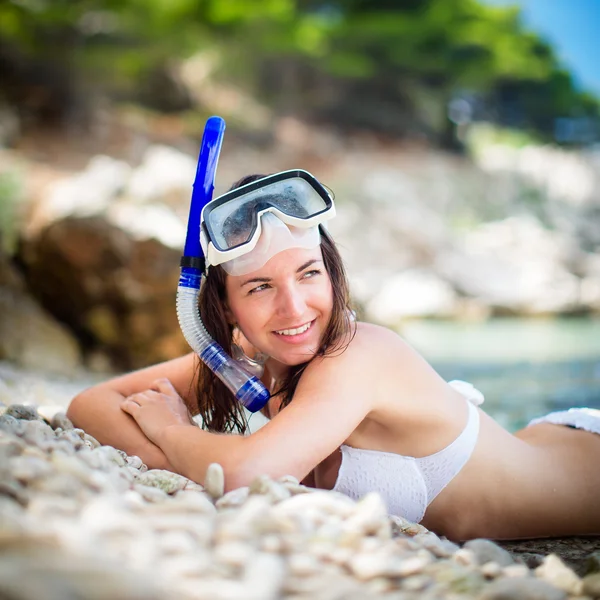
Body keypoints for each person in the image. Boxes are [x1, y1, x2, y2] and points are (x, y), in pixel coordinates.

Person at [67, 170, 600, 542]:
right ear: (226, 310)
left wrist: (172, 432)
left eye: (308, 274)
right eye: (258, 287)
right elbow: (91, 403)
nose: (293, 308)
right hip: (536, 445)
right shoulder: (245, 364)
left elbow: (238, 476)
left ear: (332, 273)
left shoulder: (360, 353)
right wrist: (190, 461)